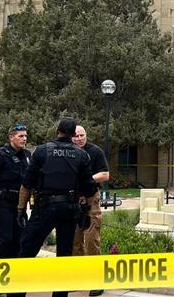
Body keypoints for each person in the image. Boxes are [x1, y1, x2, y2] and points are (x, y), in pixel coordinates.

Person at [16, 117, 96, 297]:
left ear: (57, 131)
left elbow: (26, 184)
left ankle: (17, 294)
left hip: (44, 208)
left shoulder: (42, 151)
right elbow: (89, 189)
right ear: (74, 134)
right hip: (69, 209)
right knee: (64, 257)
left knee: (27, 251)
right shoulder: (82, 155)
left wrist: (21, 210)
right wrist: (87, 211)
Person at [0, 124, 30, 267]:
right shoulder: (0, 155)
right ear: (11, 137)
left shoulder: (27, 156)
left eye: (25, 136)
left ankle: (12, 277)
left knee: (18, 240)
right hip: (2, 203)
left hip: (19, 205)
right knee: (5, 240)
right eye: (21, 136)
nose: (24, 139)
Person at [72, 125, 110, 297]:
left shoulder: (95, 151)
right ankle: (78, 278)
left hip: (90, 199)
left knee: (92, 239)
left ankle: (97, 281)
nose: (80, 138)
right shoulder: (68, 152)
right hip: (72, 200)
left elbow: (105, 174)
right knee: (75, 240)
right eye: (76, 136)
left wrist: (86, 179)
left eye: (82, 135)